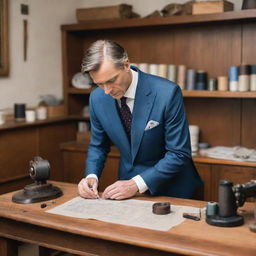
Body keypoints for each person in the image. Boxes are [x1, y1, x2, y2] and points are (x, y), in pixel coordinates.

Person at [78, 39, 202, 200]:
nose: (107, 91)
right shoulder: (97, 98)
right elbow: (98, 145)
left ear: (126, 65)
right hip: (128, 193)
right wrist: (91, 176)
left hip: (174, 190)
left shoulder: (167, 93)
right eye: (100, 84)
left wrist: (135, 184)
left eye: (111, 80)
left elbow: (179, 153)